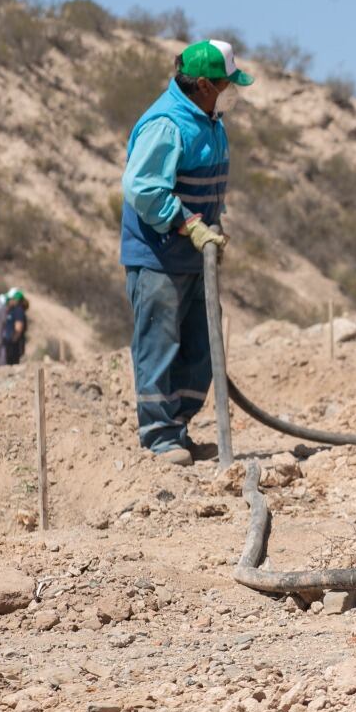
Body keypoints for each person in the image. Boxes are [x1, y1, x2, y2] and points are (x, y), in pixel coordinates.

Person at [121, 39, 251, 465]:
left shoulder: (210, 119)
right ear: (200, 84)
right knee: (159, 343)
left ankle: (180, 428)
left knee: (201, 346)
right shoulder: (167, 123)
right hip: (159, 255)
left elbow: (206, 182)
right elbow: (143, 187)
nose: (230, 91)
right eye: (224, 83)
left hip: (195, 255)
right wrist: (189, 224)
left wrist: (215, 225)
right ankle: (159, 437)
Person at [3, 288, 29, 366]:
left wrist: (11, 343)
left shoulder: (18, 310)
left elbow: (18, 328)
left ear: (16, 299)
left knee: (12, 365)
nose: (9, 301)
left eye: (10, 299)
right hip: (12, 344)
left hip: (15, 346)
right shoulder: (13, 310)